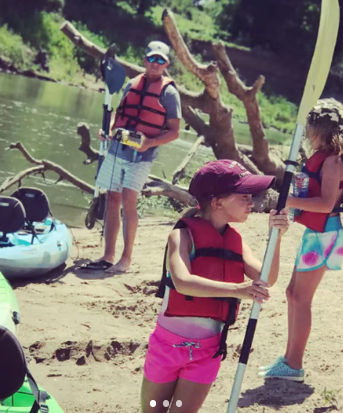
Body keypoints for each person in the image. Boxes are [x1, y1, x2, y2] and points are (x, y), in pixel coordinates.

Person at [140, 159, 291, 413]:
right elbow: (183, 282)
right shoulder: (182, 235)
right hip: (166, 347)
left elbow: (267, 278)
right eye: (244, 196)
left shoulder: (237, 242)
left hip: (207, 351)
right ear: (217, 202)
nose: (251, 202)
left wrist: (276, 238)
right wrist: (239, 290)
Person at [259, 98, 343, 383]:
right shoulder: (327, 156)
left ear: (322, 131)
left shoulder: (333, 161)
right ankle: (290, 360)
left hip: (325, 236)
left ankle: (294, 364)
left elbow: (327, 204)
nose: (308, 135)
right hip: (317, 234)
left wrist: (285, 199)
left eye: (311, 130)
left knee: (300, 298)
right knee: (293, 294)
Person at [83, 40, 183, 274]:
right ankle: (108, 255)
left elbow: (174, 132)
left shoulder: (169, 93)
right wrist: (107, 132)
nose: (156, 63)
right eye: (152, 58)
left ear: (166, 64)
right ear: (145, 60)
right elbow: (120, 112)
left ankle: (125, 259)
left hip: (142, 156)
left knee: (129, 199)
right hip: (118, 150)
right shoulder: (132, 84)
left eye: (161, 60)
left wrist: (150, 143)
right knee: (113, 199)